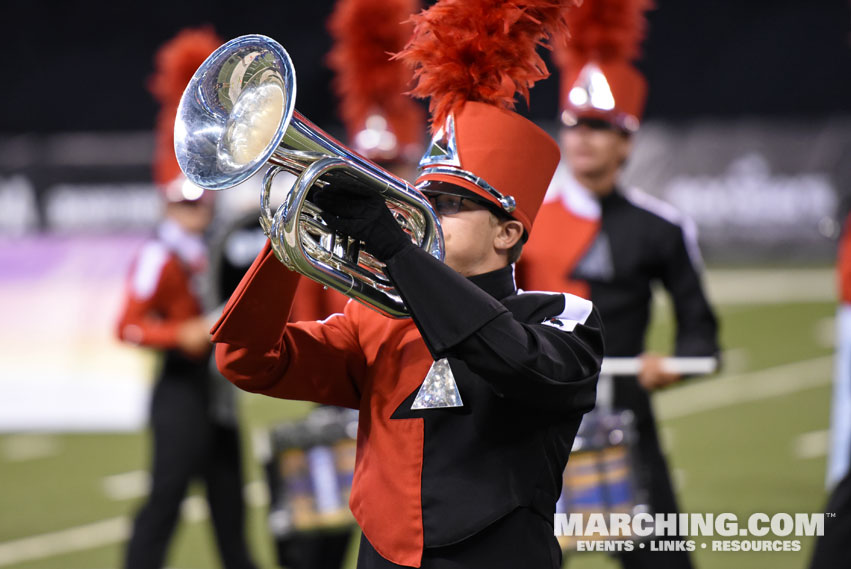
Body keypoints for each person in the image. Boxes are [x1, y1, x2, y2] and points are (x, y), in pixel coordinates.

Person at [209, 2, 603, 567]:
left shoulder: (565, 318)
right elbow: (247, 361)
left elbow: (515, 363)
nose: (423, 209)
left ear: (507, 233)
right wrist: (287, 233)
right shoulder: (377, 317)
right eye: (427, 197)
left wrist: (396, 251)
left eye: (451, 205)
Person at [517, 1, 719, 567]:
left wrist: (676, 364)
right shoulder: (521, 222)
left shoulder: (662, 228)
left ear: (627, 140)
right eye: (576, 124)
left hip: (626, 426)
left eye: (601, 127)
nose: (584, 138)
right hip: (538, 429)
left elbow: (701, 333)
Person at [115, 27, 258, 569]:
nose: (194, 212)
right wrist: (183, 333)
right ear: (166, 201)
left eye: (200, 201)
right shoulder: (160, 255)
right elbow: (126, 326)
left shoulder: (214, 245)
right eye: (183, 202)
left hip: (217, 395)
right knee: (165, 503)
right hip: (180, 392)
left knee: (230, 513)